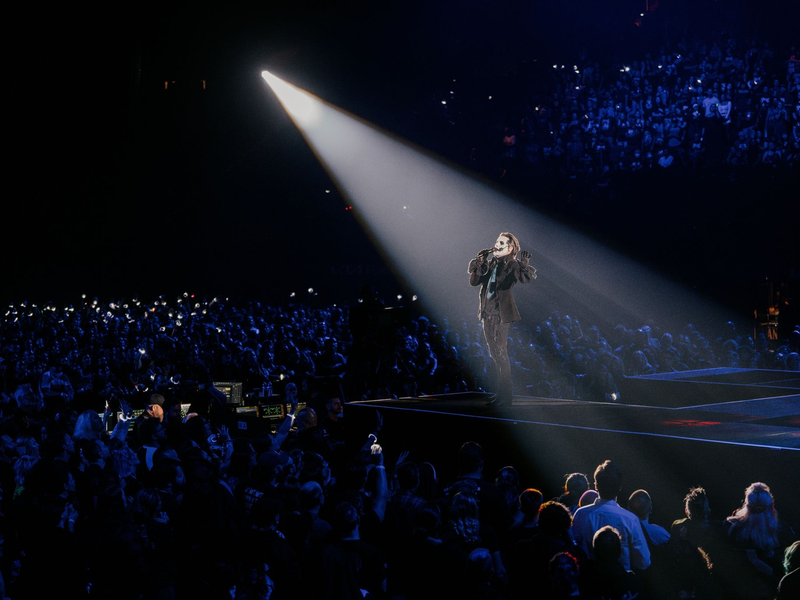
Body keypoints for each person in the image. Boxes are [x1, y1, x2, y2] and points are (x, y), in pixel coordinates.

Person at [468, 232, 537, 407]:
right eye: (497, 241)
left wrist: (524, 264)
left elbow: (523, 278)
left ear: (510, 248)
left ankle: (506, 395)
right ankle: (501, 393)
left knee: (501, 353)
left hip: (500, 314)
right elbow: (474, 281)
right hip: (487, 313)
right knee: (494, 355)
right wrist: (480, 262)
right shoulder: (491, 264)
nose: (496, 245)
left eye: (501, 243)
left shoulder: (512, 264)